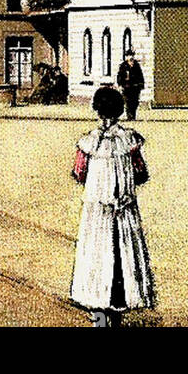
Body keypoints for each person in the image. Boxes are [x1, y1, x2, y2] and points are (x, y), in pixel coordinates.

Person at [70, 84, 155, 328]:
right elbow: (141, 173)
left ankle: (100, 321)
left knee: (98, 260)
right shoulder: (130, 140)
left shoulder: (89, 142)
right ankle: (116, 318)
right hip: (124, 212)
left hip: (98, 214)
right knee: (122, 260)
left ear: (96, 110)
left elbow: (78, 173)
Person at [116, 50, 145, 122]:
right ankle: (129, 116)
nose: (131, 57)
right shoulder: (123, 66)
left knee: (135, 102)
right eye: (129, 55)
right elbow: (120, 76)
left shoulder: (136, 65)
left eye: (132, 55)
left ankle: (133, 115)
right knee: (128, 101)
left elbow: (140, 75)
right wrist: (120, 84)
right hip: (126, 87)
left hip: (135, 87)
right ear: (126, 57)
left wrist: (141, 84)